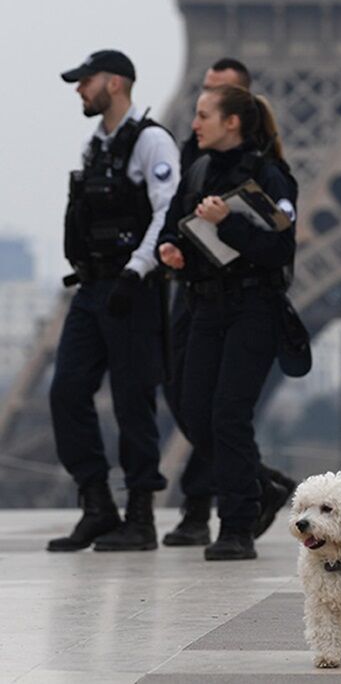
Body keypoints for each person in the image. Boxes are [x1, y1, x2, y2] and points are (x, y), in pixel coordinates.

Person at [161, 57, 297, 548]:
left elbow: (281, 248)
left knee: (229, 414)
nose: (193, 124)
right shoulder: (196, 170)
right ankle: (259, 485)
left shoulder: (270, 175)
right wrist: (171, 250)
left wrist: (229, 223)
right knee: (194, 410)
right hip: (205, 306)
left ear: (231, 122)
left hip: (253, 309)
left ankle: (237, 524)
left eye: (203, 116)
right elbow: (174, 223)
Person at [47, 49, 180, 552]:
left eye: (86, 80)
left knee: (132, 401)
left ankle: (141, 516)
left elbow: (167, 212)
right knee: (66, 391)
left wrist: (135, 271)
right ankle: (97, 503)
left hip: (132, 289)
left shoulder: (151, 142)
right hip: (92, 286)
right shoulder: (95, 145)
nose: (80, 89)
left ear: (117, 83)